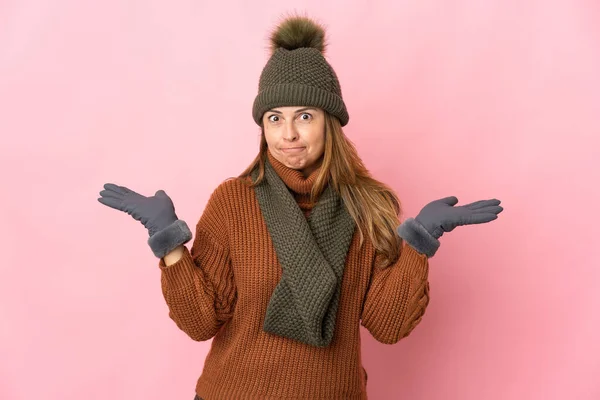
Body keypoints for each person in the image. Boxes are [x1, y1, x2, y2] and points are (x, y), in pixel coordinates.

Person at [98, 14, 503, 400]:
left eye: (304, 116)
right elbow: (201, 321)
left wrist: (420, 240)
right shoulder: (233, 201)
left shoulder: (367, 206)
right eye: (274, 118)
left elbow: (388, 324)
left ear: (330, 121)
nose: (288, 134)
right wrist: (167, 241)